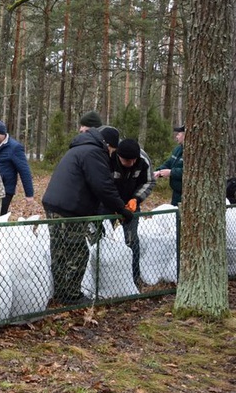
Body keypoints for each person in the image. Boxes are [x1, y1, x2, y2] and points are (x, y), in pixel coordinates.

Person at [41, 127, 133, 305]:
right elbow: (103, 186)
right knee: (78, 252)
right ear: (109, 146)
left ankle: (61, 291)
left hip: (54, 203)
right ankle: (72, 295)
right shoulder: (94, 153)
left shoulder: (80, 148)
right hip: (70, 209)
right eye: (113, 150)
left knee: (59, 250)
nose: (113, 154)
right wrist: (122, 209)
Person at [108, 138, 155, 285]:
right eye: (127, 161)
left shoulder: (143, 159)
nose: (132, 164)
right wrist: (115, 205)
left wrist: (136, 199)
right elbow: (103, 185)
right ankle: (102, 277)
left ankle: (134, 278)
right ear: (119, 156)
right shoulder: (108, 159)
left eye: (134, 160)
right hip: (109, 204)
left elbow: (149, 181)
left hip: (131, 205)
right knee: (100, 237)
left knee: (132, 239)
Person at [0, 120, 34, 215]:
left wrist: (29, 194)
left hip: (5, 190)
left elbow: (24, 171)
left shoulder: (15, 148)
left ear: (2, 134)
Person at [153, 125, 185, 206]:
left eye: (178, 134)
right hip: (176, 193)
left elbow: (189, 172)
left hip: (187, 193)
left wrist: (171, 172)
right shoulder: (177, 149)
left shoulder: (192, 152)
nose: (176, 136)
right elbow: (169, 163)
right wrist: (159, 171)